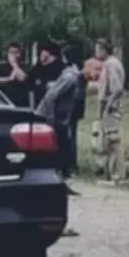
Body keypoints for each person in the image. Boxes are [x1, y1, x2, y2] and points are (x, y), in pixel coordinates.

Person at [35, 57, 103, 211]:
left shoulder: (80, 81)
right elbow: (51, 95)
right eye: (97, 70)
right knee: (56, 152)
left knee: (64, 151)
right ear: (88, 67)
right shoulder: (71, 79)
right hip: (51, 119)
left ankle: (62, 184)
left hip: (62, 120)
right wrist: (50, 120)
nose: (99, 74)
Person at [94, 38, 126, 184]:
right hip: (113, 107)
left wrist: (107, 106)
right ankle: (112, 173)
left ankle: (117, 174)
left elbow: (117, 87)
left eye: (97, 49)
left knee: (113, 142)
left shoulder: (110, 65)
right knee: (110, 142)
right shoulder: (113, 63)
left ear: (103, 50)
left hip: (111, 108)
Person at [0, 42, 31, 108]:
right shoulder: (1, 66)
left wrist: (14, 64)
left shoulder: (25, 67)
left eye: (16, 52)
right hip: (5, 103)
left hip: (21, 104)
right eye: (11, 53)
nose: (14, 55)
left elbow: (23, 78)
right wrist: (9, 79)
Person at [28, 40, 64, 108]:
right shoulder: (37, 69)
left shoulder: (60, 69)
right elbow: (27, 82)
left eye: (42, 51)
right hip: (38, 107)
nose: (40, 54)